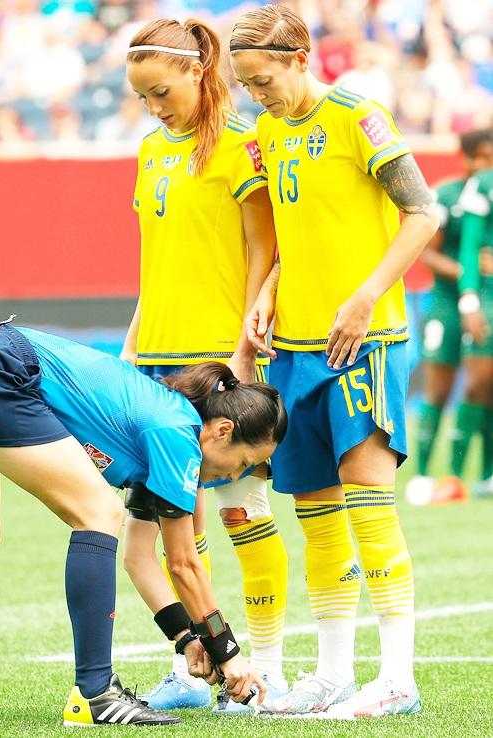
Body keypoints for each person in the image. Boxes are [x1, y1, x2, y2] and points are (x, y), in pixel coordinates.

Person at [0, 310, 286, 725]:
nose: (232, 476)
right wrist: (229, 655)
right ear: (223, 430)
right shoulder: (177, 435)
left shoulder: (164, 437)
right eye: (242, 462)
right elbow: (184, 564)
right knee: (98, 512)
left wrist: (186, 638)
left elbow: (139, 559)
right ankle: (95, 693)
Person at [229, 4, 439, 718]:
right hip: (293, 350)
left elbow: (425, 212)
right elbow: (295, 232)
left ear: (299, 59)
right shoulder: (263, 130)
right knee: (315, 516)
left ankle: (399, 679)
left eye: (264, 80)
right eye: (246, 85)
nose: (258, 96)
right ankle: (333, 673)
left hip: (365, 344)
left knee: (371, 509)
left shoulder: (358, 115)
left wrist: (366, 296)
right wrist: (267, 292)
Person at [121, 17, 289, 714]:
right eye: (142, 98)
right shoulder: (149, 149)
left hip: (224, 358)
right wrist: (130, 346)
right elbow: (154, 262)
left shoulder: (244, 147)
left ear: (196, 71)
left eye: (162, 91)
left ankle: (269, 664)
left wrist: (244, 345)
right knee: (175, 528)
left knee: (242, 513)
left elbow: (266, 248)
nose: (156, 108)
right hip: (156, 360)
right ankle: (196, 669)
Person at [406, 129, 493, 505]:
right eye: (483, 157)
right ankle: (424, 474)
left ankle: (479, 473)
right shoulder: (447, 195)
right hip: (446, 302)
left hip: (484, 300)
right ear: (468, 158)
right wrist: (467, 270)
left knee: (482, 386)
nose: (487, 165)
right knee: (438, 389)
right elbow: (429, 254)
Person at [455, 145, 493, 497]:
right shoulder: (483, 184)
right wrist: (469, 301)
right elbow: (469, 247)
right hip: (488, 300)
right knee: (478, 385)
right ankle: (456, 474)